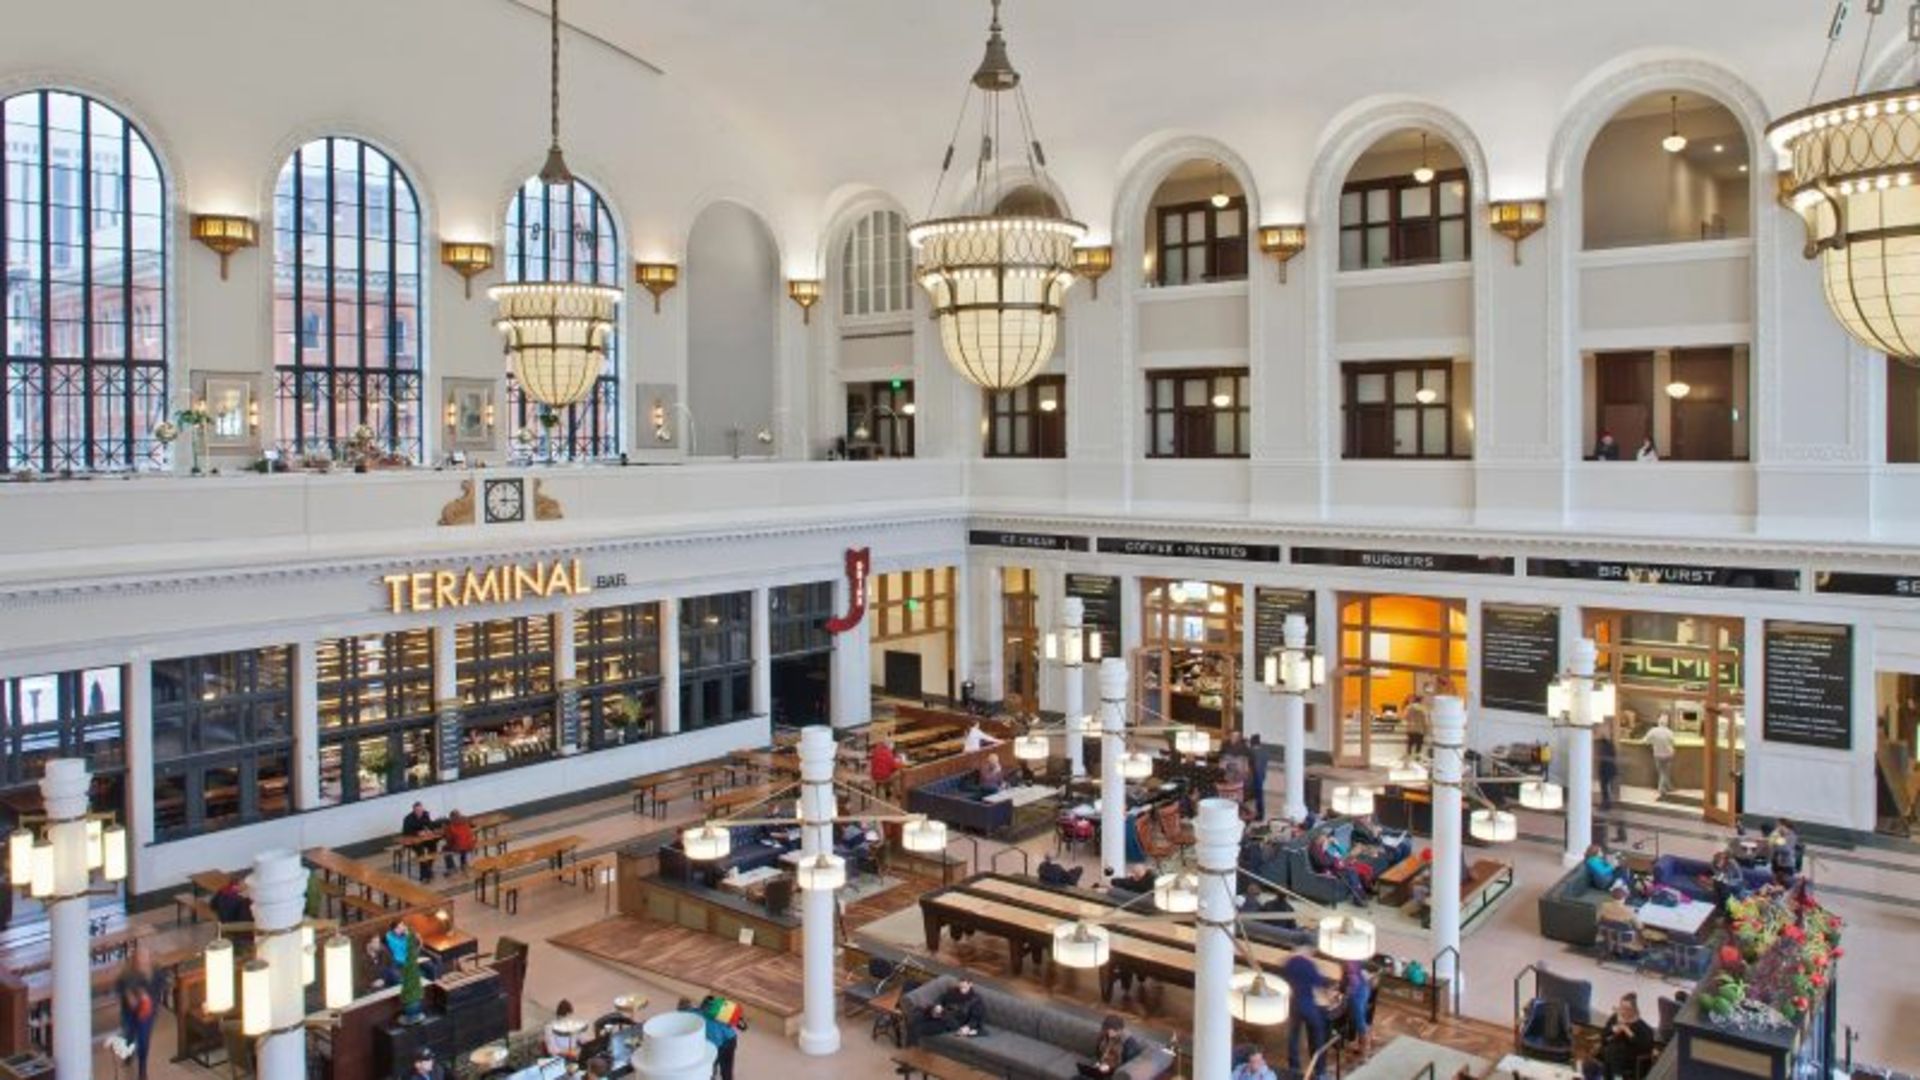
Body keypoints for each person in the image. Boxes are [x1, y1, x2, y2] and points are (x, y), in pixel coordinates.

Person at [115, 943, 166, 1080]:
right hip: (129, 1013)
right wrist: (128, 995)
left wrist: (146, 997)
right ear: (134, 960)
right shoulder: (127, 973)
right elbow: (119, 987)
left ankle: (142, 1070)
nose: (141, 961)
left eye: (144, 957)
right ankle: (128, 1054)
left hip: (146, 1014)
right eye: (138, 958)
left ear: (149, 959)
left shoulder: (156, 973)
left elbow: (160, 988)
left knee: (143, 1041)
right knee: (129, 1035)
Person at [1279, 953, 1332, 1078]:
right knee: (1318, 1034)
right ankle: (1320, 1071)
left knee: (1293, 1037)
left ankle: (1294, 1068)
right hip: (1308, 1004)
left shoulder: (1289, 962)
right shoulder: (1310, 965)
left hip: (1293, 1004)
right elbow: (1320, 983)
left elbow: (1284, 980)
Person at [1584, 993, 1655, 1080]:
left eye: (1626, 1009)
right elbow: (1604, 1036)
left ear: (1634, 1010)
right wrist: (1613, 1030)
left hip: (1628, 1059)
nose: (1623, 1011)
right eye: (1621, 1007)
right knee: (1604, 1055)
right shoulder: (1615, 1018)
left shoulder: (1643, 1027)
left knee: (1613, 1053)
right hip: (1611, 1056)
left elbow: (1644, 1047)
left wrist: (1627, 1030)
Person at [679, 997, 739, 1080]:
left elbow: (716, 1039)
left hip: (723, 1042)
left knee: (711, 1066)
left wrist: (712, 1052)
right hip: (732, 1037)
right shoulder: (715, 1013)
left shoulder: (696, 1015)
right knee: (726, 1070)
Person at [1342, 959, 1374, 1059]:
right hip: (1361, 991)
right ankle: (1361, 1047)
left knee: (1360, 1022)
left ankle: (1365, 1052)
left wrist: (1347, 991)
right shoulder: (1355, 961)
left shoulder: (1353, 963)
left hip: (1358, 994)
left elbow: (1352, 982)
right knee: (1360, 1021)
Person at [402, 800, 438, 882]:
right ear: (414, 810)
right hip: (412, 841)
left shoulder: (425, 814)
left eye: (421, 810)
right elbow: (406, 832)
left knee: (433, 845)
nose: (420, 812)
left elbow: (429, 825)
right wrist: (418, 833)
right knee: (420, 851)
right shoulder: (408, 819)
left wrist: (429, 830)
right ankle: (424, 874)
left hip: (424, 839)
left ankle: (428, 867)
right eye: (417, 811)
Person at [1646, 715, 1677, 796]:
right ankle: (1664, 788)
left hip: (1658, 754)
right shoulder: (1669, 732)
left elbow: (1646, 741)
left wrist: (1653, 742)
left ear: (1658, 722)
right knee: (1665, 772)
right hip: (1668, 754)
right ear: (1666, 723)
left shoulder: (1653, 731)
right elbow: (1673, 742)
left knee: (1662, 772)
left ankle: (1666, 788)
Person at [441, 809, 477, 875]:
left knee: (444, 849)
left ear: (451, 818)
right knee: (462, 844)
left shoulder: (450, 826)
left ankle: (451, 868)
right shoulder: (466, 821)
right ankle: (463, 864)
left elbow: (449, 839)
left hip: (460, 846)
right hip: (470, 845)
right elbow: (474, 824)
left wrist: (444, 830)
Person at [1247, 734, 1271, 820]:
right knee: (1259, 796)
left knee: (1256, 796)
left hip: (1254, 776)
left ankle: (1258, 814)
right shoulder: (1264, 751)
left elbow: (1249, 765)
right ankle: (1260, 814)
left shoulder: (1251, 752)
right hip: (1262, 775)